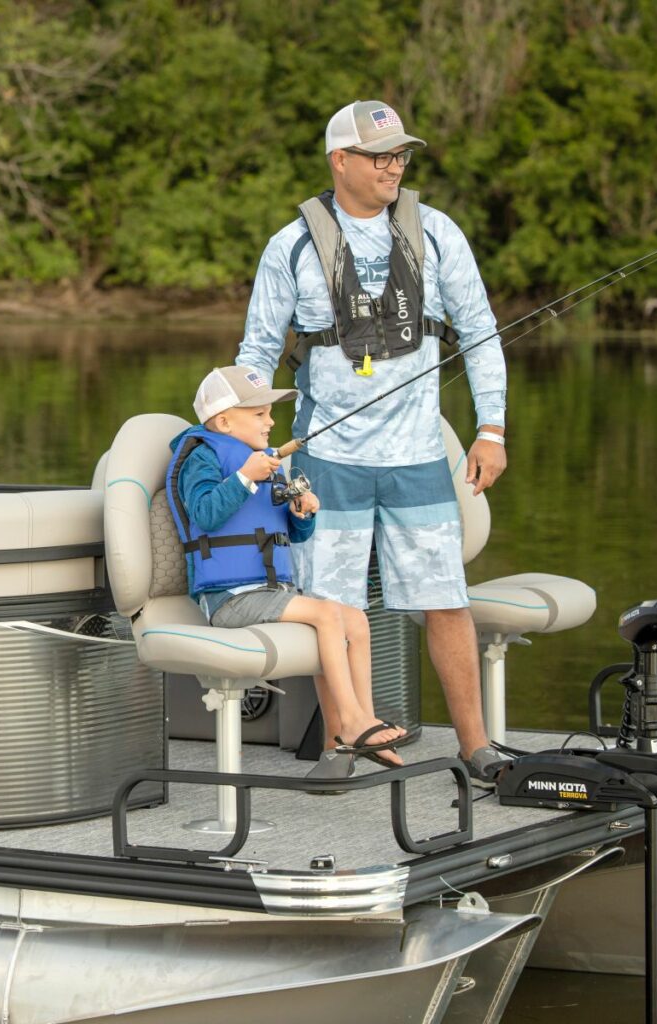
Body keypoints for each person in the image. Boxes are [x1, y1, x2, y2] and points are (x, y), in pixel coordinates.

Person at [238, 100, 510, 786]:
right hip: (327, 464)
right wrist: (233, 438)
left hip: (419, 459)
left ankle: (477, 747)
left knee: (444, 598)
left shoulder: (437, 232)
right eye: (380, 155)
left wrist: (492, 430)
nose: (394, 167)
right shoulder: (290, 246)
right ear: (341, 161)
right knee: (332, 603)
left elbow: (479, 333)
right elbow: (255, 356)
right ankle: (339, 745)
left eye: (401, 156)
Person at [170, 365, 409, 780]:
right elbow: (206, 514)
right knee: (327, 614)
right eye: (259, 414)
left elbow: (291, 535)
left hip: (268, 590)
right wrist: (245, 477)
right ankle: (349, 724)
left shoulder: (265, 463)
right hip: (228, 599)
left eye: (270, 414)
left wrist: (303, 514)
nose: (272, 422)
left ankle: (360, 724)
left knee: (355, 617)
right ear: (224, 421)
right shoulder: (203, 456)